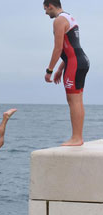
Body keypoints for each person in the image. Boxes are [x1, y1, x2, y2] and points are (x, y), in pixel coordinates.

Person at [43, 0, 90, 146]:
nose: (45, 13)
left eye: (45, 9)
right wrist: (60, 68)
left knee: (73, 101)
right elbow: (70, 47)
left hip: (74, 63)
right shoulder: (70, 17)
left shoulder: (59, 20)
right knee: (78, 100)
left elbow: (58, 48)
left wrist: (49, 70)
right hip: (81, 60)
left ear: (50, 5)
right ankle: (78, 137)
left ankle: (76, 138)